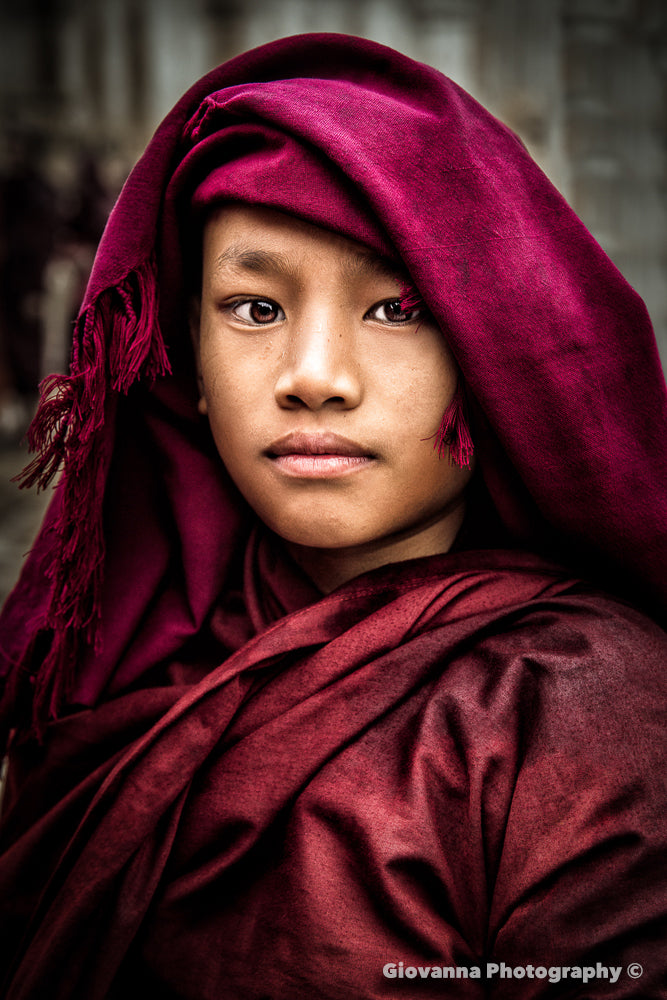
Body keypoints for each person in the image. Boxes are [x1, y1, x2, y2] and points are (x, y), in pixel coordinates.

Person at [0, 33, 666, 1000]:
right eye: (254, 308)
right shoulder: (114, 664)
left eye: (396, 309)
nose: (314, 377)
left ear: (493, 353)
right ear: (186, 356)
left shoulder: (582, 708)